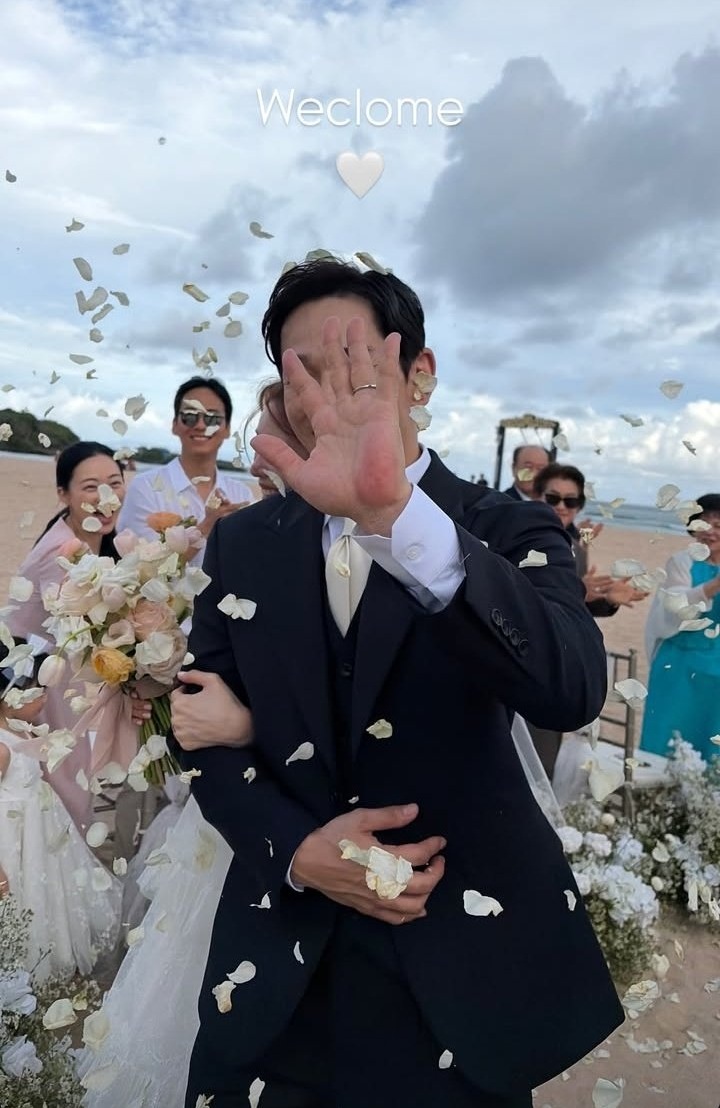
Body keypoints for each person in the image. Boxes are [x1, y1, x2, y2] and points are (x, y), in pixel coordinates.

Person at [167, 258, 621, 1108]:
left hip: (455, 981)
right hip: (274, 976)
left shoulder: (504, 524)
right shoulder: (245, 543)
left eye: (353, 366)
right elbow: (190, 724)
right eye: (301, 372)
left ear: (420, 373)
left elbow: (570, 684)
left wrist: (396, 520)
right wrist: (297, 849)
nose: (324, 394)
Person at [7, 442, 129, 832]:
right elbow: (83, 635)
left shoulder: (98, 539)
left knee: (70, 780)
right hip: (27, 679)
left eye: (114, 483)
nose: (106, 497)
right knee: (60, 787)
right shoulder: (59, 550)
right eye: (91, 487)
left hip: (57, 673)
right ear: (64, 494)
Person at [0, 650, 121, 982]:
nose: (43, 696)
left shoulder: (24, 730)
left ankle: (51, 960)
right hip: (15, 838)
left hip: (42, 833)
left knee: (49, 897)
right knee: (22, 901)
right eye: (34, 689)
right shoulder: (2, 748)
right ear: (8, 697)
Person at [116, 376, 254, 564]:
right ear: (175, 424)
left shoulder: (241, 494)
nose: (200, 425)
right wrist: (206, 527)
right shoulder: (145, 488)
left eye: (212, 419)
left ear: (227, 428)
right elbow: (142, 567)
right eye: (189, 417)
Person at [640, 493, 720, 760]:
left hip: (716, 666)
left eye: (718, 526)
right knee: (665, 739)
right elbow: (675, 604)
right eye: (704, 523)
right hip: (678, 664)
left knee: (710, 741)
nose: (710, 532)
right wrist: (713, 586)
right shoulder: (681, 561)